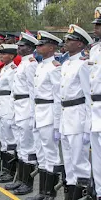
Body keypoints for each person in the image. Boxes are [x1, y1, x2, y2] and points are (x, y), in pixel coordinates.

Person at [28, 31, 63, 200]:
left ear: (52, 47)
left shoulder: (55, 68)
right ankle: (41, 192)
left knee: (51, 154)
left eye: (41, 45)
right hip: (38, 112)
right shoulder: (40, 65)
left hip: (48, 113)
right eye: (37, 45)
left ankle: (50, 193)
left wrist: (57, 124)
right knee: (41, 153)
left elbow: (58, 98)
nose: (38, 47)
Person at [59, 24, 93, 199]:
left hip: (78, 116)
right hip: (66, 117)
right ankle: (71, 195)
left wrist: (88, 126)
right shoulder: (65, 64)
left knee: (80, 162)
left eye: (70, 40)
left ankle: (83, 195)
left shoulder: (83, 64)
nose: (66, 42)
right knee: (69, 161)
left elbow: (89, 97)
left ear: (80, 44)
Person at [5, 32, 38, 195]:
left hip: (26, 108)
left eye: (22, 45)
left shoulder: (31, 64)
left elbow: (33, 91)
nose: (18, 47)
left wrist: (33, 114)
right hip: (18, 107)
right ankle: (21, 179)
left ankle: (28, 183)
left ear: (30, 48)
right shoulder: (22, 64)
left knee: (27, 146)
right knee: (20, 145)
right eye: (18, 45)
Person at [0, 44, 18, 183]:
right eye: (0, 53)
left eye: (4, 53)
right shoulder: (4, 69)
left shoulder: (14, 70)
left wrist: (13, 110)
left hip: (8, 106)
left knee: (10, 140)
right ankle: (4, 169)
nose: (1, 56)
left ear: (12, 56)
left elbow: (14, 92)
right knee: (3, 140)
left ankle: (11, 172)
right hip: (0, 106)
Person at [90, 6, 101, 200]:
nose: (96, 28)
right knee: (97, 158)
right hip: (94, 108)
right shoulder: (94, 50)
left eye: (99, 25)